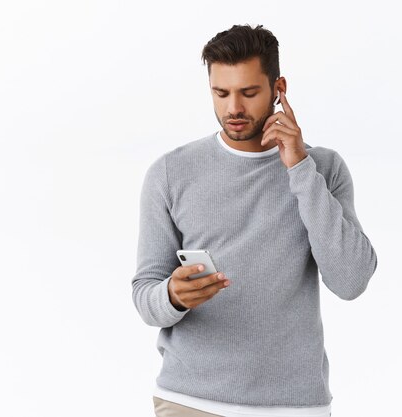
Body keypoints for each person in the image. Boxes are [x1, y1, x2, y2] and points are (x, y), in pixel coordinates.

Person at [131, 24, 378, 417]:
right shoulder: (170, 173)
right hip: (190, 401)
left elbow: (350, 281)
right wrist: (174, 296)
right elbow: (145, 296)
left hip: (295, 406)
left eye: (248, 93)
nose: (233, 109)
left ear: (279, 88)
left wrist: (298, 166)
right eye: (220, 93)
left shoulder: (323, 169)